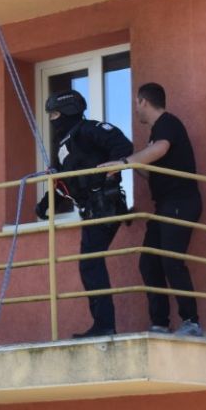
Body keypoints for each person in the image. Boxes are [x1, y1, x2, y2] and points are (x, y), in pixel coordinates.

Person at [102, 82, 204, 337]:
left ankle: (191, 322)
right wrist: (130, 163)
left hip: (181, 202)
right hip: (165, 205)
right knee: (149, 262)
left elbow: (160, 149)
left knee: (171, 259)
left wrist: (125, 162)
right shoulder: (156, 133)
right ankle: (160, 323)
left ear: (143, 101)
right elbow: (152, 170)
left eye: (136, 104)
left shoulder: (167, 123)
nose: (135, 109)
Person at [35, 89, 133, 338]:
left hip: (105, 205)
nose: (52, 120)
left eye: (55, 114)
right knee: (89, 264)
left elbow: (123, 146)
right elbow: (64, 183)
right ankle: (103, 324)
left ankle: (104, 325)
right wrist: (46, 203)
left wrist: (109, 171)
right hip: (91, 210)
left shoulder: (89, 130)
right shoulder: (64, 145)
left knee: (90, 264)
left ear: (68, 111)